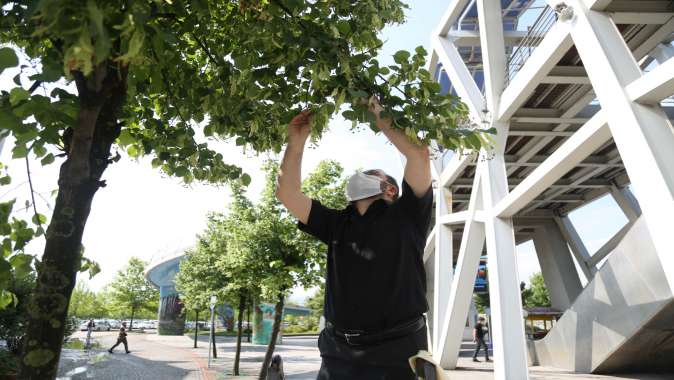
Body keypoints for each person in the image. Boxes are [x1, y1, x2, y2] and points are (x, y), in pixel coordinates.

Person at [276, 99, 433, 379]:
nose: (362, 176)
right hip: (338, 354)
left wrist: (376, 110)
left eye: (373, 174)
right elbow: (287, 194)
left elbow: (418, 154)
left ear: (390, 189)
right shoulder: (336, 223)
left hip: (398, 354)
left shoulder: (409, 214)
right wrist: (296, 142)